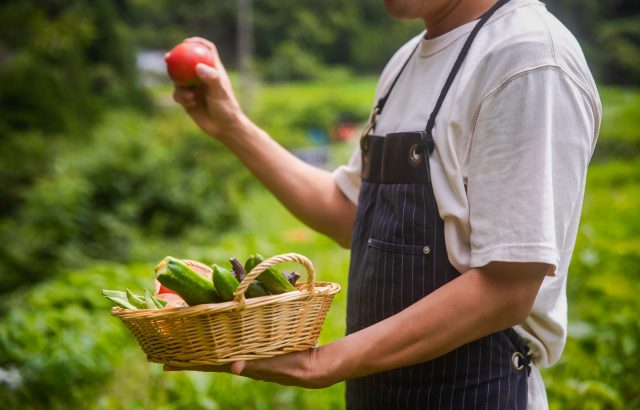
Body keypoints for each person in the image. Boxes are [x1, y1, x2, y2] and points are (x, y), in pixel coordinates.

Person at [167, 0, 601, 408]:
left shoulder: (526, 59)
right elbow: (349, 214)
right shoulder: (406, 61)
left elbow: (507, 288)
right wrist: (232, 126)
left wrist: (325, 362)